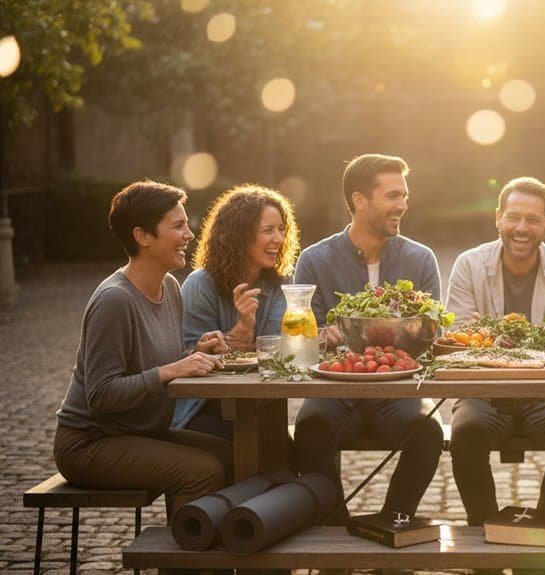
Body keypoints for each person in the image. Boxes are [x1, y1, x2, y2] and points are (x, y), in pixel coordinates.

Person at [53, 181, 232, 519]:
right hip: (90, 443)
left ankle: (229, 554)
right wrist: (172, 371)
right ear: (143, 236)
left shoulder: (169, 287)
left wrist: (193, 352)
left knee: (235, 455)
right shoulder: (114, 300)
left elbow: (154, 363)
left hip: (140, 432)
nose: (189, 234)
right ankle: (184, 567)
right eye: (177, 226)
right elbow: (102, 394)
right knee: (202, 470)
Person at [292, 154, 444, 524]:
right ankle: (334, 528)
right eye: (393, 196)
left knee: (427, 433)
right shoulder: (314, 260)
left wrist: (424, 329)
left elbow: (434, 333)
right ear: (360, 201)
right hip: (335, 392)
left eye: (404, 196)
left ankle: (393, 521)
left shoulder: (421, 259)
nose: (403, 205)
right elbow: (301, 335)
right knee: (309, 430)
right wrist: (321, 336)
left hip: (399, 391)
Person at [445, 176, 545, 527]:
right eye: (513, 217)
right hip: (483, 391)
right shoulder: (468, 264)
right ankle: (484, 533)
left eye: (533, 220)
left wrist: (488, 336)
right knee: (465, 434)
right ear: (498, 217)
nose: (521, 228)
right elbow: (455, 340)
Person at [172, 184, 300, 439]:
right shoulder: (200, 285)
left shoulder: (281, 284)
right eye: (268, 230)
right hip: (204, 411)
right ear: (240, 235)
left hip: (263, 406)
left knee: (297, 448)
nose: (279, 239)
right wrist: (242, 330)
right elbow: (190, 362)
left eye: (281, 230)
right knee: (258, 448)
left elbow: (276, 355)